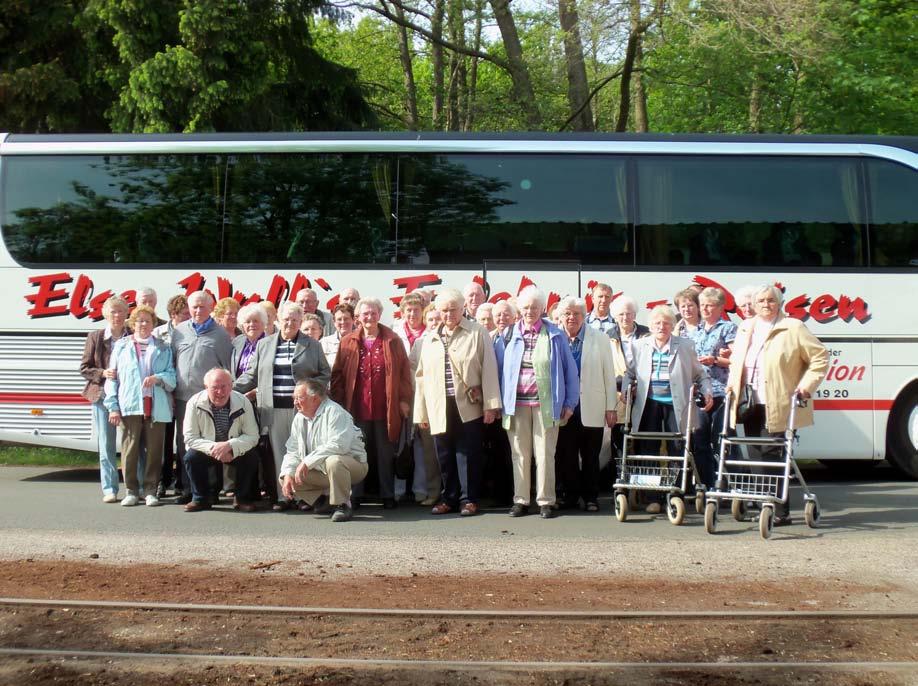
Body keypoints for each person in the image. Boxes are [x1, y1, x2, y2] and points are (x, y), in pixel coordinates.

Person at [726, 284, 828, 525]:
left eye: (770, 300)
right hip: (749, 401)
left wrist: (806, 386)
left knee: (773, 454)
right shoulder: (746, 327)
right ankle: (764, 504)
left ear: (779, 303)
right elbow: (736, 361)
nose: (765, 304)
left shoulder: (793, 327)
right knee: (755, 453)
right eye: (760, 300)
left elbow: (820, 357)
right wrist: (732, 384)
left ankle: (780, 511)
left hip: (779, 400)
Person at [233, 301, 331, 511]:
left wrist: (312, 390)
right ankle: (283, 496)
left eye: (295, 320)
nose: (290, 323)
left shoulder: (312, 345)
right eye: (287, 319)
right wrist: (229, 389)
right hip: (273, 408)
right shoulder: (264, 344)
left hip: (303, 410)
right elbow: (252, 375)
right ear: (278, 320)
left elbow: (325, 373)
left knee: (304, 452)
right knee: (279, 453)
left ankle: (305, 497)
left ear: (300, 321)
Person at [414, 288, 501, 516]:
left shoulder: (477, 332)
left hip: (468, 404)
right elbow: (421, 377)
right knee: (443, 453)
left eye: (453, 309)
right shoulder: (430, 337)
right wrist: (421, 413)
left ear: (462, 309)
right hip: (438, 405)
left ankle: (469, 499)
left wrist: (491, 404)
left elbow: (489, 369)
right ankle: (449, 498)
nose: (449, 314)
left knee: (468, 453)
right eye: (444, 310)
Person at [495, 286, 579, 519]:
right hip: (516, 405)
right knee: (519, 454)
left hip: (547, 405)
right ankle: (521, 500)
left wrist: (570, 404)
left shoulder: (555, 335)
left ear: (542, 308)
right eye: (525, 307)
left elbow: (570, 372)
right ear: (519, 309)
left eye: (534, 307)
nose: (529, 311)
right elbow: (499, 370)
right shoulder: (508, 334)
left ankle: (545, 500)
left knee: (544, 454)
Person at [622, 305, 713, 514]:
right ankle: (653, 496)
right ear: (651, 326)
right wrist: (627, 389)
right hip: (649, 403)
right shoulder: (638, 346)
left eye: (666, 323)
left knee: (677, 449)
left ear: (672, 325)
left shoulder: (685, 345)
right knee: (648, 449)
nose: (661, 327)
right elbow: (630, 373)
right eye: (657, 323)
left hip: (676, 404)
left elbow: (701, 374)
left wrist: (707, 391)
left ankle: (675, 493)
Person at [331, 297, 412, 509]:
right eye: (365, 313)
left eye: (373, 313)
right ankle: (356, 494)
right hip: (356, 407)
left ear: (379, 314)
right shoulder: (348, 341)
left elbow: (404, 373)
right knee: (357, 451)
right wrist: (339, 401)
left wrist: (404, 400)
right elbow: (337, 374)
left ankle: (387, 495)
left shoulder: (393, 340)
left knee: (385, 453)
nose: (369, 317)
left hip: (385, 407)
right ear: (358, 317)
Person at [104, 305, 176, 507]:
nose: (143, 324)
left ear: (153, 324)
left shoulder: (163, 347)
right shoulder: (121, 346)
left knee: (155, 451)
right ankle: (132, 491)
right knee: (129, 450)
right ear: (132, 323)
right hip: (130, 404)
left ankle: (151, 490)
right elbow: (112, 378)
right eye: (139, 320)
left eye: (147, 321)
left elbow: (172, 377)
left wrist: (158, 378)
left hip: (156, 406)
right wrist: (113, 407)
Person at [553, 297, 617, 512]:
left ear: (584, 316)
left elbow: (609, 374)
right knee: (566, 455)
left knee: (591, 455)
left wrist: (611, 407)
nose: (572, 317)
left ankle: (591, 497)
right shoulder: (553, 336)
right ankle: (570, 496)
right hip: (564, 408)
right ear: (561, 316)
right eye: (567, 313)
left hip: (593, 405)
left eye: (577, 313)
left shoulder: (600, 338)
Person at [170, 291, 234, 504]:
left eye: (202, 307)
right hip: (182, 398)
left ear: (211, 308)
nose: (198, 311)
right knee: (184, 443)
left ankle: (212, 490)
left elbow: (226, 367)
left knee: (212, 441)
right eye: (194, 307)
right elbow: (173, 362)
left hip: (210, 399)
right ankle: (189, 490)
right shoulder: (179, 332)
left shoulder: (221, 335)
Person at [279, 380, 369, 522]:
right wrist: (288, 472)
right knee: (286, 476)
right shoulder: (298, 418)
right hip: (323, 470)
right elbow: (292, 450)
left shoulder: (335, 411)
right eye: (294, 398)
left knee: (334, 461)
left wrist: (307, 462)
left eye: (299, 398)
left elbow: (339, 446)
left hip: (353, 466)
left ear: (315, 398)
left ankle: (342, 505)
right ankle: (323, 502)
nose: (295, 402)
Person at [182, 368, 261, 512]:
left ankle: (242, 498)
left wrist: (230, 445)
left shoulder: (243, 402)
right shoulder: (194, 402)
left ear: (231, 386)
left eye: (224, 386)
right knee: (191, 457)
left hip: (232, 448)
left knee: (251, 457)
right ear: (206, 387)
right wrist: (215, 448)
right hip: (208, 448)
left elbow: (253, 436)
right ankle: (200, 499)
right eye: (215, 388)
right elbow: (190, 437)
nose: (220, 392)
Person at [80, 295, 131, 503]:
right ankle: (109, 488)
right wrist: (103, 373)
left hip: (128, 397)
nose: (117, 316)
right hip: (102, 397)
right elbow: (84, 368)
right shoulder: (96, 337)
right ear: (105, 314)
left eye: (120, 311)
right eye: (113, 312)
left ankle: (133, 488)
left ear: (127, 314)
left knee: (132, 443)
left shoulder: (133, 336)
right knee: (106, 445)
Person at [690, 287, 737, 489]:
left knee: (722, 440)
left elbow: (737, 360)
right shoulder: (696, 330)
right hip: (700, 391)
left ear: (720, 307)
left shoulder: (728, 328)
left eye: (710, 305)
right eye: (702, 305)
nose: (705, 309)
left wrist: (716, 360)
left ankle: (731, 484)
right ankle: (706, 485)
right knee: (699, 439)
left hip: (720, 390)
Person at [228, 303, 268, 500]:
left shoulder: (270, 343)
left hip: (260, 401)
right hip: (237, 401)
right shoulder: (237, 342)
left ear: (264, 323)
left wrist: (253, 393)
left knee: (260, 445)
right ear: (242, 325)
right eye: (248, 321)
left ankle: (262, 488)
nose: (252, 324)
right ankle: (243, 490)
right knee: (241, 444)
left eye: (256, 321)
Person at [152, 293, 190, 498]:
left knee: (184, 439)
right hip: (164, 393)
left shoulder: (191, 332)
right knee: (163, 439)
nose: (188, 317)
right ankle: (161, 481)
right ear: (173, 314)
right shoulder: (158, 334)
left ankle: (182, 482)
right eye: (184, 314)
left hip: (183, 392)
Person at [320, 304, 355, 368]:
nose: (343, 322)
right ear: (334, 322)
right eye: (339, 319)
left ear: (353, 320)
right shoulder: (324, 343)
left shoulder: (360, 342)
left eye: (346, 319)